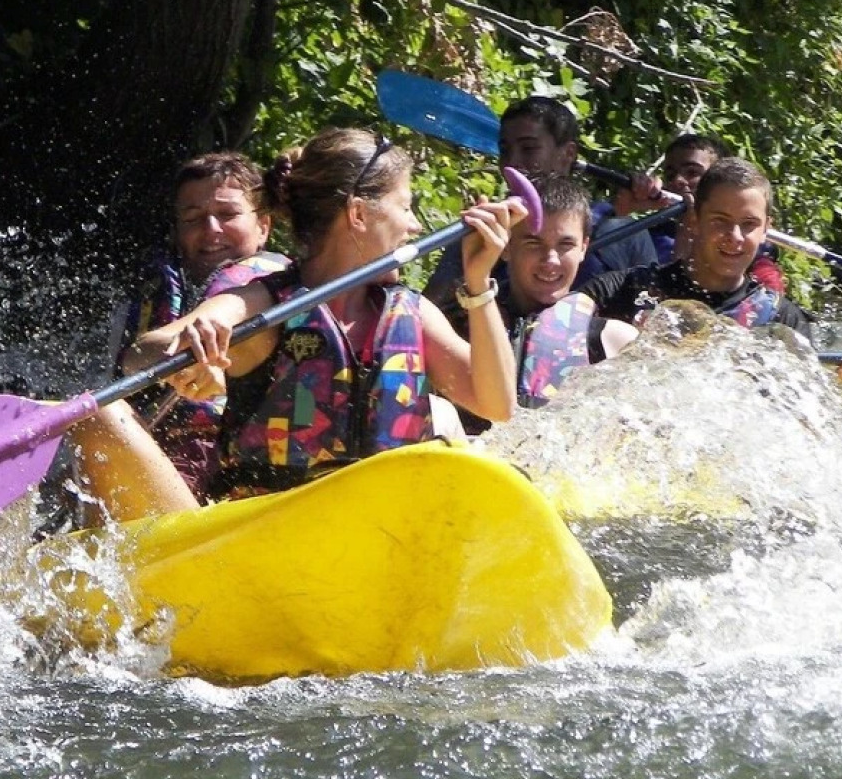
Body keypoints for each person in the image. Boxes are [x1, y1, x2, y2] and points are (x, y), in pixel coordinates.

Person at [69, 127, 527, 519]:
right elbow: (143, 353)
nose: (414, 226)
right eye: (405, 207)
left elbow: (497, 405)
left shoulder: (411, 313)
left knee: (452, 430)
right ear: (359, 214)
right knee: (99, 418)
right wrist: (192, 349)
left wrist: (479, 282)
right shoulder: (266, 305)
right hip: (264, 536)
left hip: (379, 535)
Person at [580, 157, 842, 399]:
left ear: (765, 229)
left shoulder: (781, 321)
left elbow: (805, 424)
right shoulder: (624, 289)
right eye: (721, 221)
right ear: (695, 219)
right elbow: (559, 326)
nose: (735, 237)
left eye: (749, 224)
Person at [108, 152, 288, 494]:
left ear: (264, 226)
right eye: (193, 218)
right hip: (160, 455)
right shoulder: (161, 290)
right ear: (177, 232)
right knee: (100, 423)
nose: (211, 230)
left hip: (240, 465)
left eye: (228, 214)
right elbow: (133, 358)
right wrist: (182, 358)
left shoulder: (279, 286)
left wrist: (211, 365)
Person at [443, 174, 638, 432]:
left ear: (583, 248)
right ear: (506, 246)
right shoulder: (450, 328)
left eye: (566, 245)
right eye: (533, 243)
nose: (551, 260)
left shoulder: (616, 342)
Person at [422, 96, 659, 305]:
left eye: (529, 148)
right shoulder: (486, 228)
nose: (512, 162)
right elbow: (430, 309)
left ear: (568, 154)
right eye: (505, 150)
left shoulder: (621, 231)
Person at [606, 133, 786, 292]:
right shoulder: (647, 235)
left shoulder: (750, 246)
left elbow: (768, 305)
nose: (677, 180)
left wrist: (688, 232)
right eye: (670, 175)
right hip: (638, 310)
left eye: (692, 172)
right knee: (615, 226)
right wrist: (623, 211)